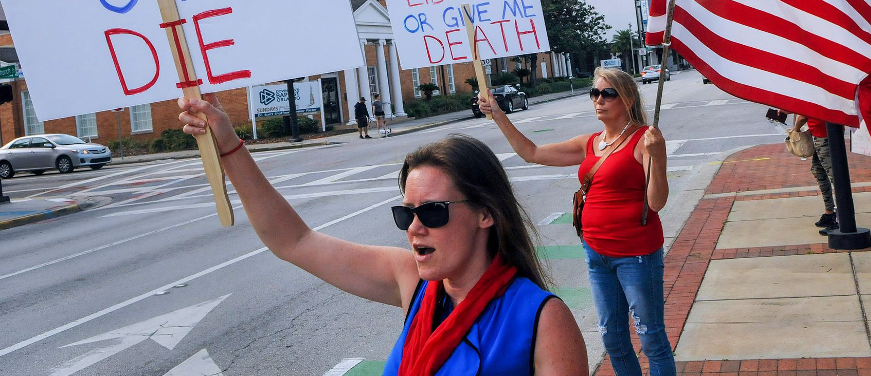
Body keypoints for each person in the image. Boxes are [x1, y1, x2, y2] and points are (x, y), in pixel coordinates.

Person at [177, 96, 587, 375]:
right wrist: (229, 145)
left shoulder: (543, 320)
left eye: (432, 211)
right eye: (405, 213)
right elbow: (294, 242)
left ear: (485, 213)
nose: (414, 227)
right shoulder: (413, 283)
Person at [479, 66, 677, 376]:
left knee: (651, 336)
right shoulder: (590, 142)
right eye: (594, 93)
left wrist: (659, 156)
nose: (599, 99)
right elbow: (531, 152)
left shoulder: (643, 140)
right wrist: (499, 114)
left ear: (626, 98)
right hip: (596, 253)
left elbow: (656, 202)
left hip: (635, 256)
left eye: (607, 93)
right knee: (612, 337)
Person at [792, 115, 837, 234]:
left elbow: (803, 116)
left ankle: (840, 218)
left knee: (834, 175)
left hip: (823, 134)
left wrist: (795, 131)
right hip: (821, 132)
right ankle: (830, 212)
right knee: (818, 170)